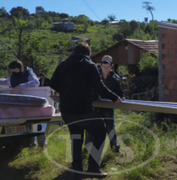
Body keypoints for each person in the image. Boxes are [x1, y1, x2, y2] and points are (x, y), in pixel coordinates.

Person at [50, 42, 122, 179]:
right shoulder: (89, 66)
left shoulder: (63, 65)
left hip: (66, 111)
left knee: (76, 138)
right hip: (83, 110)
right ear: (88, 54)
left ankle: (77, 171)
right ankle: (93, 168)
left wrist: (68, 90)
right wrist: (115, 98)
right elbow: (99, 87)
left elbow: (53, 84)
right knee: (100, 132)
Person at [85, 55, 123, 153]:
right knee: (91, 126)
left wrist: (119, 98)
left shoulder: (115, 78)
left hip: (108, 106)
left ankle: (114, 148)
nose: (105, 67)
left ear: (112, 66)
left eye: (107, 65)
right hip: (94, 105)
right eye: (103, 65)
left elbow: (120, 94)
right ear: (100, 64)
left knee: (110, 127)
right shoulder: (94, 75)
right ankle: (87, 148)